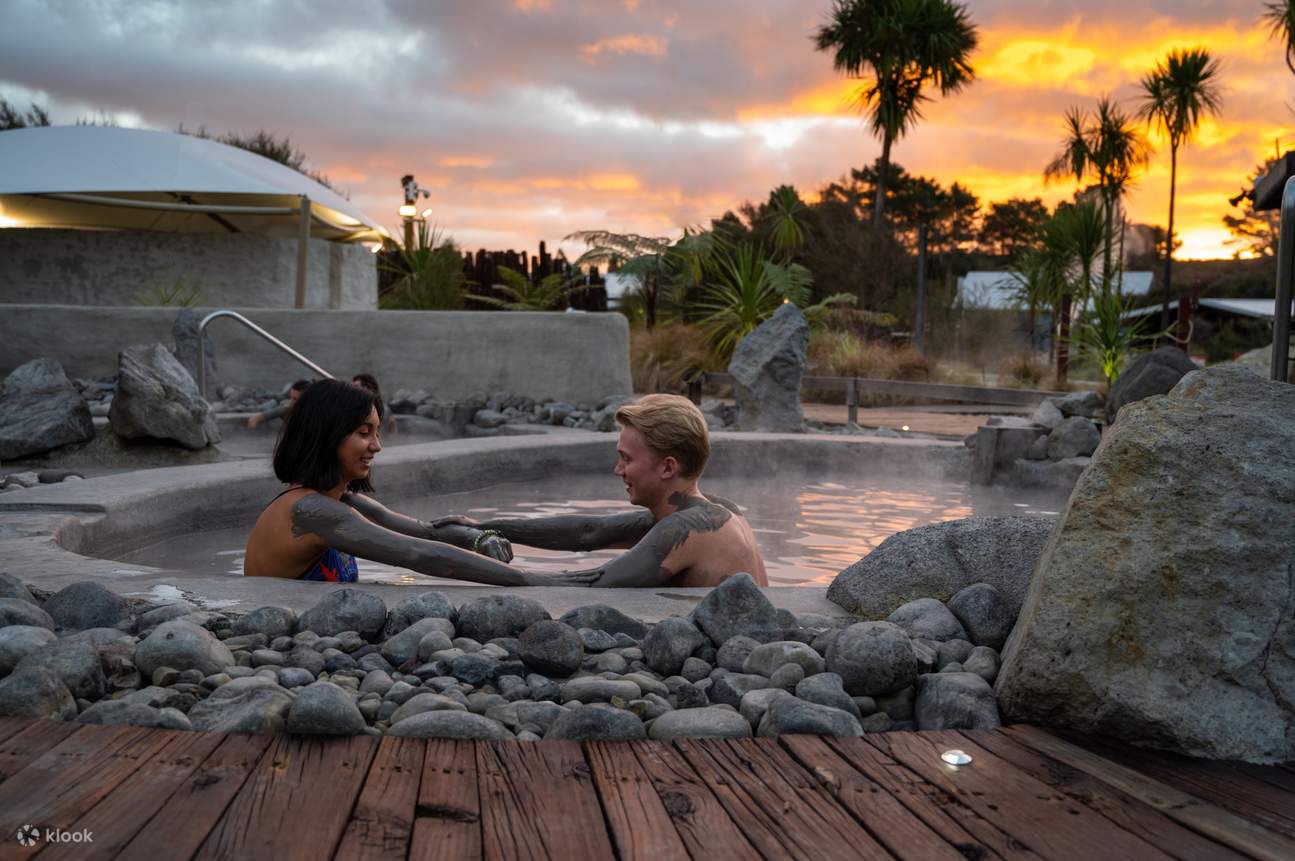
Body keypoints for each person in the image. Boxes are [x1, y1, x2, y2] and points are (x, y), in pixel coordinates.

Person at [243, 379, 596, 586]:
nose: (377, 446)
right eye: (364, 433)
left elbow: (426, 533)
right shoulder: (310, 511)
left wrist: (481, 537)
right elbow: (416, 554)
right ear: (326, 436)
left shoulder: (341, 502)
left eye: (377, 432)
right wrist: (537, 580)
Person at [463, 394, 768, 587]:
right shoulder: (716, 509)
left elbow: (582, 583)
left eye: (626, 459)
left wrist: (419, 553)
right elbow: (589, 532)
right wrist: (480, 529)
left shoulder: (686, 529)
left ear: (667, 467)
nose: (617, 470)